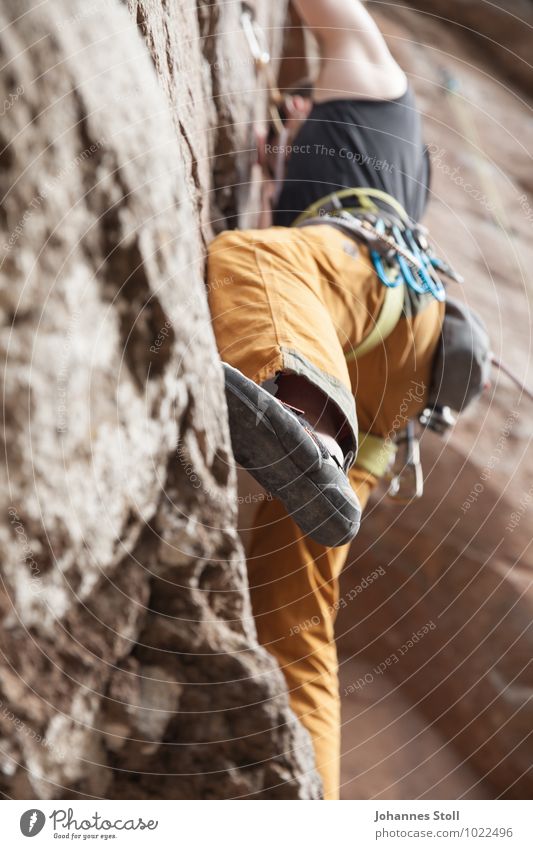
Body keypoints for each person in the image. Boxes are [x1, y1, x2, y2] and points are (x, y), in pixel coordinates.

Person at [206, 0, 490, 799]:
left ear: (308, 101)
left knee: (248, 263)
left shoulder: (369, 86)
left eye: (286, 116)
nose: (279, 130)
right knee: (294, 614)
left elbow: (330, 14)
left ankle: (304, 425)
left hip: (375, 278)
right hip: (390, 393)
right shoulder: (305, 178)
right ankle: (313, 806)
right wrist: (271, 171)